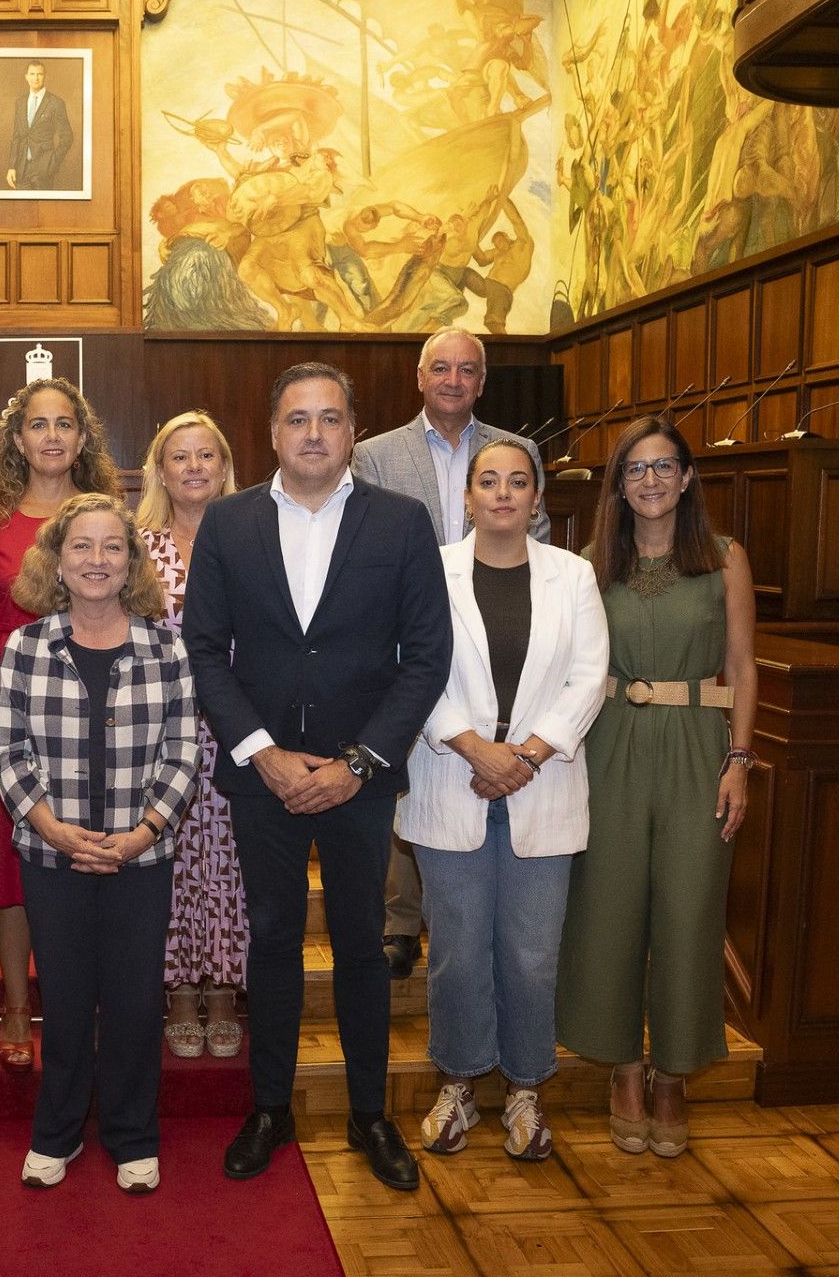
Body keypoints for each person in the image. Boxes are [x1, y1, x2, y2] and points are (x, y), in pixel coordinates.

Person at [183, 363, 450, 1191]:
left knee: (364, 946)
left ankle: (371, 1115)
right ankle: (270, 1109)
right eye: (297, 419)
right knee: (271, 941)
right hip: (261, 777)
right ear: (272, 433)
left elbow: (426, 657)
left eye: (330, 419)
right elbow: (204, 650)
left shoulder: (401, 522)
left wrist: (359, 763)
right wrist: (261, 752)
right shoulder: (228, 522)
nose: (313, 434)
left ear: (352, 433)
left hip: (358, 779)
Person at [396, 440, 607, 1163]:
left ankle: (524, 1088)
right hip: (451, 777)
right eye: (489, 481)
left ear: (537, 497)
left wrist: (526, 756)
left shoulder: (573, 575)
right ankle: (457, 1083)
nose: (504, 493)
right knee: (457, 952)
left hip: (543, 785)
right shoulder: (431, 570)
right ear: (468, 498)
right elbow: (412, 667)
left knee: (532, 953)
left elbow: (589, 677)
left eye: (519, 481)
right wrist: (474, 748)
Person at [554, 416, 758, 1159]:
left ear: (687, 476)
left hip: (697, 746)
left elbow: (743, 666)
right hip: (607, 743)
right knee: (606, 907)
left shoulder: (724, 558)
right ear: (618, 484)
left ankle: (673, 1074)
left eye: (663, 466)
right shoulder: (589, 564)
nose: (650, 481)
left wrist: (740, 760)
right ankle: (624, 1069)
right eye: (635, 469)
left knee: (689, 909)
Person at [0, 494, 200, 1194]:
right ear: (57, 560)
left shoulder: (165, 648)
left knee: (135, 1001)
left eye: (113, 547)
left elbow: (183, 754)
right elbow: (9, 751)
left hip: (142, 858)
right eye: (81, 546)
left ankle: (132, 1134)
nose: (97, 560)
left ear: (132, 562)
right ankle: (57, 1132)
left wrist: (142, 834)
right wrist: (50, 828)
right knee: (67, 997)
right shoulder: (26, 647)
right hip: (52, 856)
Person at [351, 327, 549, 983]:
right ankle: (401, 921)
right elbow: (362, 550)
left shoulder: (515, 451)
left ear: (482, 382)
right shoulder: (374, 455)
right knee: (410, 780)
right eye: (441, 368)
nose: (453, 380)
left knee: (465, 776)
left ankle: (455, 921)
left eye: (467, 370)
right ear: (420, 377)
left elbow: (539, 542)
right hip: (403, 642)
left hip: (494, 639)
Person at [0, 378, 123, 1071]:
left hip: (94, 705)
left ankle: (80, 1001)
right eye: (37, 425)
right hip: (9, 703)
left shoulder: (107, 514)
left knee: (85, 857)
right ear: (18, 440)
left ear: (82, 439)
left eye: (63, 424)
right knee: (12, 867)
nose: (51, 436)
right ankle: (18, 1003)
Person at [135, 411, 247, 1059]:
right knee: (170, 864)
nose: (194, 466)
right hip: (160, 736)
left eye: (206, 454)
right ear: (160, 470)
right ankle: (178, 990)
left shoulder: (253, 539)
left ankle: (226, 989)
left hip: (237, 733)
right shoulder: (137, 546)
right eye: (180, 456)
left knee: (229, 865)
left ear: (224, 466)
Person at [6, 60, 73, 191]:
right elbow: (17, 137)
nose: (35, 78)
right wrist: (11, 166)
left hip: (44, 171)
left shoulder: (56, 103)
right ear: (26, 77)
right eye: (32, 74)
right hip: (21, 169)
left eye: (39, 74)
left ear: (45, 76)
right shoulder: (20, 103)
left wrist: (52, 162)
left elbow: (67, 137)